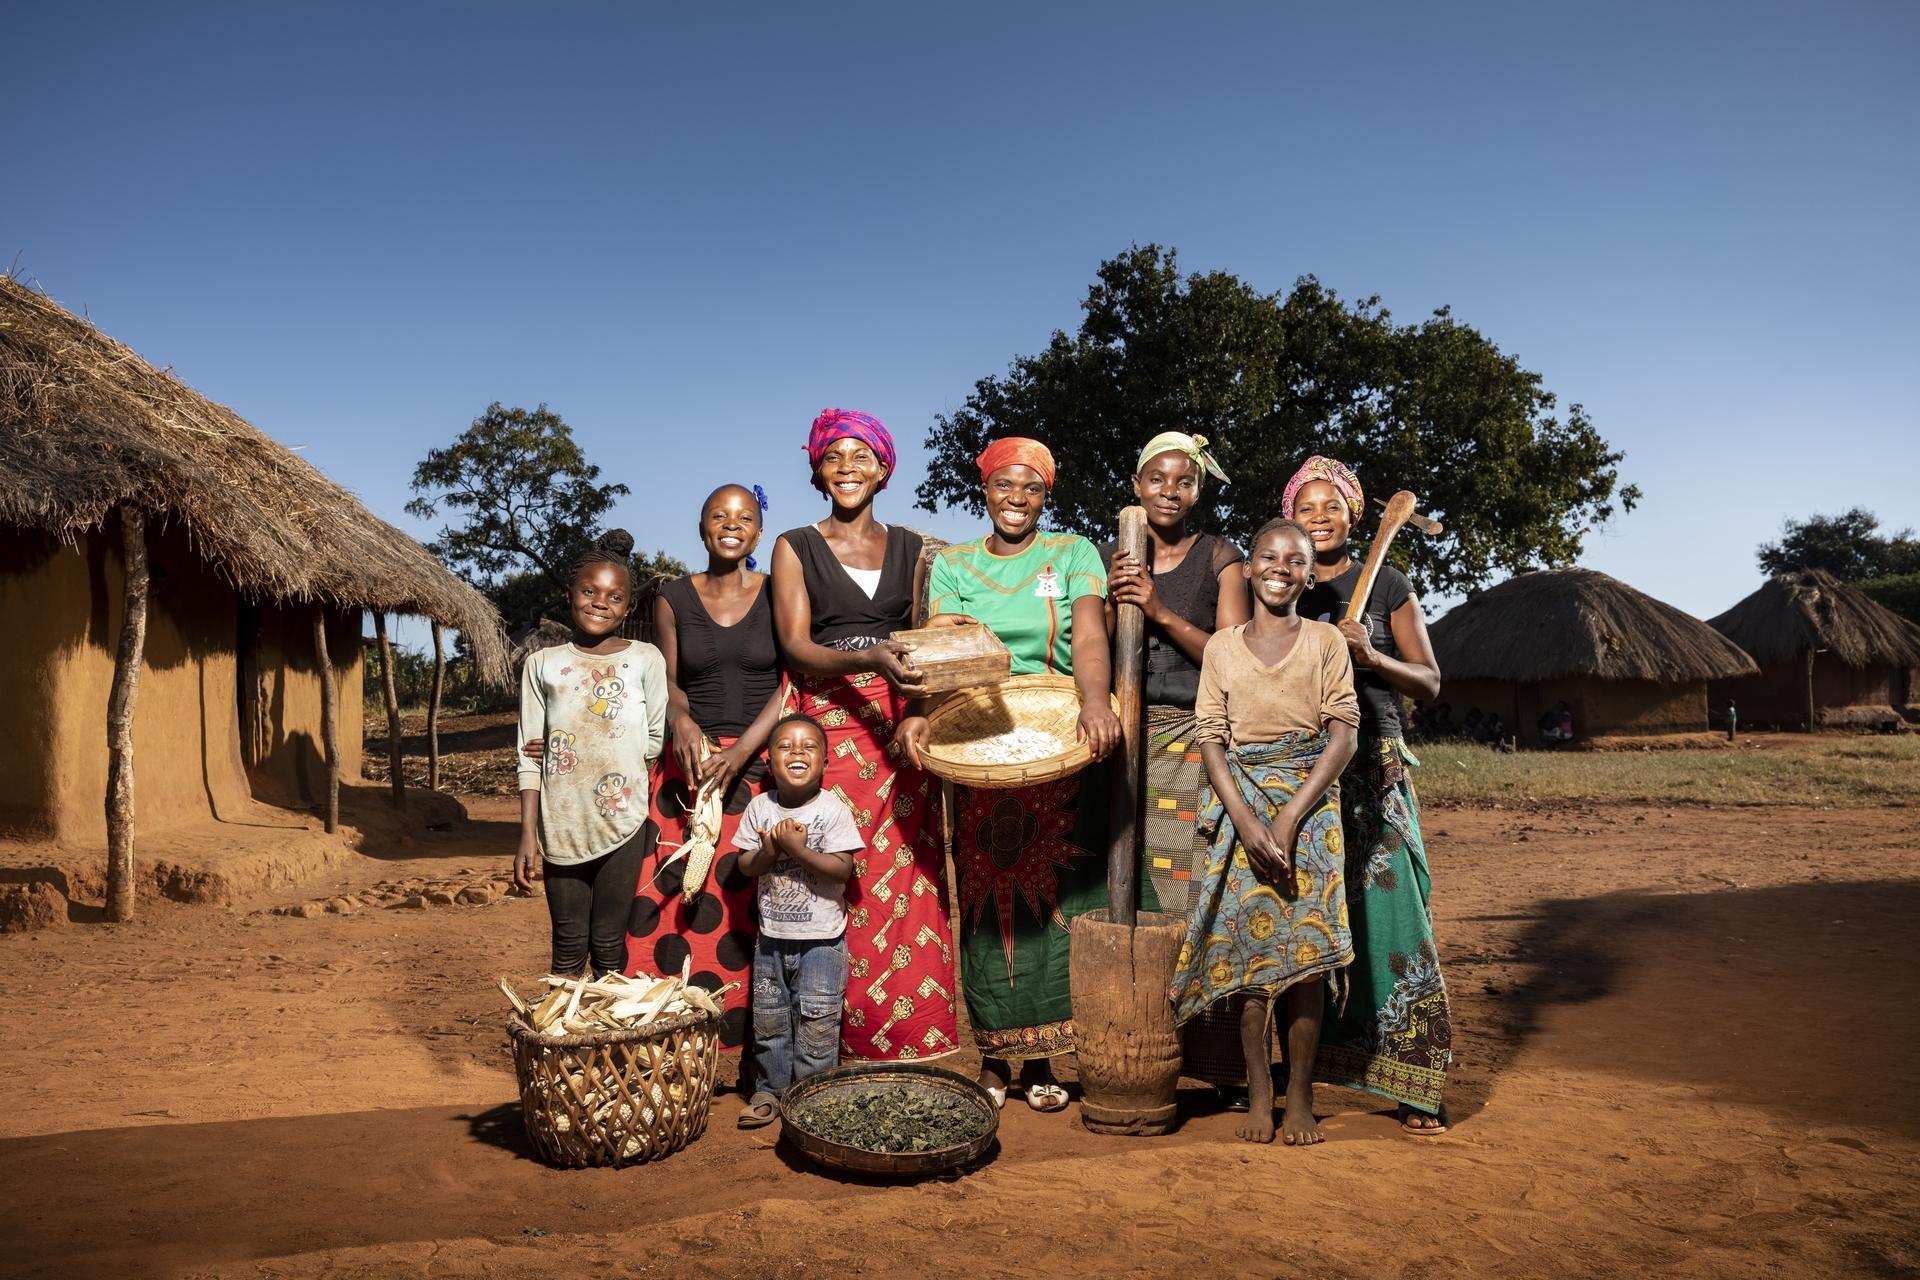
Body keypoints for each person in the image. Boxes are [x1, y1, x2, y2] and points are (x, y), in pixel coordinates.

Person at [904, 436, 1122, 1112]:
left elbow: (1090, 635)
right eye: (1005, 485)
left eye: (1032, 488)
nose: (1017, 499)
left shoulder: (1073, 553)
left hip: (1058, 734)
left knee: (1057, 897)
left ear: (1045, 495)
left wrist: (1095, 701)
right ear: (986, 490)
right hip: (979, 739)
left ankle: (1049, 1056)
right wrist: (921, 715)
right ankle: (996, 1055)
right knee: (985, 895)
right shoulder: (954, 564)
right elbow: (942, 648)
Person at [770, 409, 960, 1065]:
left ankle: (908, 1037)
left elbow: (925, 641)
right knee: (834, 869)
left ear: (884, 470)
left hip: (900, 725)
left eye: (861, 457)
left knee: (908, 874)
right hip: (831, 723)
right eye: (833, 457)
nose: (847, 469)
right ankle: (829, 1042)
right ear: (817, 470)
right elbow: (797, 647)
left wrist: (917, 708)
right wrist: (869, 657)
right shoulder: (795, 546)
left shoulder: (913, 548)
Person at [1172, 518, 1359, 1144]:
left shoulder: (1326, 642)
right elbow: (1211, 739)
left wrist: (1288, 815)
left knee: (1306, 962)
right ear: (1250, 567)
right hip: (1240, 808)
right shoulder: (1222, 648)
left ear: (1309, 575)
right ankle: (1260, 1095)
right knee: (1250, 963)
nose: (1281, 568)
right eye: (1269, 557)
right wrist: (1247, 821)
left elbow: (1343, 735)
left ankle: (1299, 1096)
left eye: (1296, 560)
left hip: (1311, 811)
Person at [1290, 455, 1455, 1134]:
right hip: (1302, 770)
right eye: (1306, 507)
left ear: (1355, 515)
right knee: (1310, 921)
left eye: (1331, 506)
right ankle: (1299, 1073)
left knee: (1391, 919)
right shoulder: (1282, 582)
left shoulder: (1386, 583)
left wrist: (1373, 657)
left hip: (1373, 768)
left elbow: (1430, 681)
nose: (1319, 518)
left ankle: (1415, 1080)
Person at [1100, 431, 1251, 1088]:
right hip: (1125, 738)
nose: (1169, 491)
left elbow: (1234, 655)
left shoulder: (1220, 556)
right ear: (1137, 485)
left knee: (1196, 891)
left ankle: (1213, 1058)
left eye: (1183, 481)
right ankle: (1138, 1043)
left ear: (1196, 492)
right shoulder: (1112, 554)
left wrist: (1157, 610)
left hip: (1196, 736)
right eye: (1157, 478)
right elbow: (1097, 646)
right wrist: (1115, 606)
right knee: (1127, 889)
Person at [628, 484, 783, 1051]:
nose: (731, 525)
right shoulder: (671, 598)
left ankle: (756, 1048)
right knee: (671, 898)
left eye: (744, 517)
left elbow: (790, 683)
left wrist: (742, 753)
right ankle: (670, 1044)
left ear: (759, 532)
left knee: (751, 904)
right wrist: (681, 719)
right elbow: (668, 680)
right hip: (692, 768)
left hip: (760, 764)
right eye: (719, 515)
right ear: (701, 528)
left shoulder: (778, 590)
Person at [513, 530, 668, 977]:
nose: (600, 603)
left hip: (624, 821)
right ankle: (561, 1025)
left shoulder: (646, 660)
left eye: (615, 597)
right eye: (589, 592)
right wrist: (527, 834)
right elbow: (529, 754)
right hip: (560, 823)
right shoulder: (542, 664)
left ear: (629, 607)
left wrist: (583, 746)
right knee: (567, 945)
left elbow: (654, 738)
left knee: (607, 945)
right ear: (570, 594)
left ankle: (604, 1024)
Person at [731, 713, 860, 1128]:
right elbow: (745, 865)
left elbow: (843, 870)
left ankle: (813, 1098)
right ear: (769, 762)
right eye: (785, 746)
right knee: (769, 1019)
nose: (797, 752)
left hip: (823, 941)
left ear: (825, 762)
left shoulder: (833, 809)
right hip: (771, 939)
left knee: (817, 1021)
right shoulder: (759, 807)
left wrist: (798, 850)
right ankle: (770, 1090)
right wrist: (771, 851)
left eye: (809, 746)